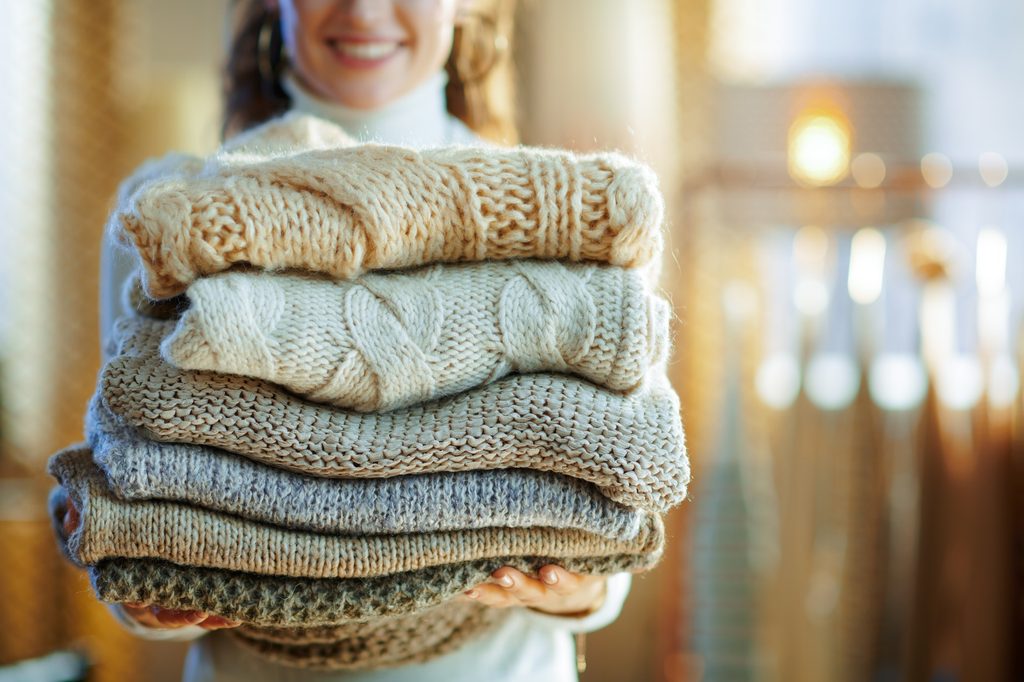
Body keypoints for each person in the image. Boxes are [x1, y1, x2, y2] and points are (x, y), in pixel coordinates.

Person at [98, 1, 634, 680]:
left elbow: (615, 483)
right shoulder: (170, 218)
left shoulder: (561, 217)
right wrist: (146, 590)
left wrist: (585, 586)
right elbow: (131, 480)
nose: (365, 8)